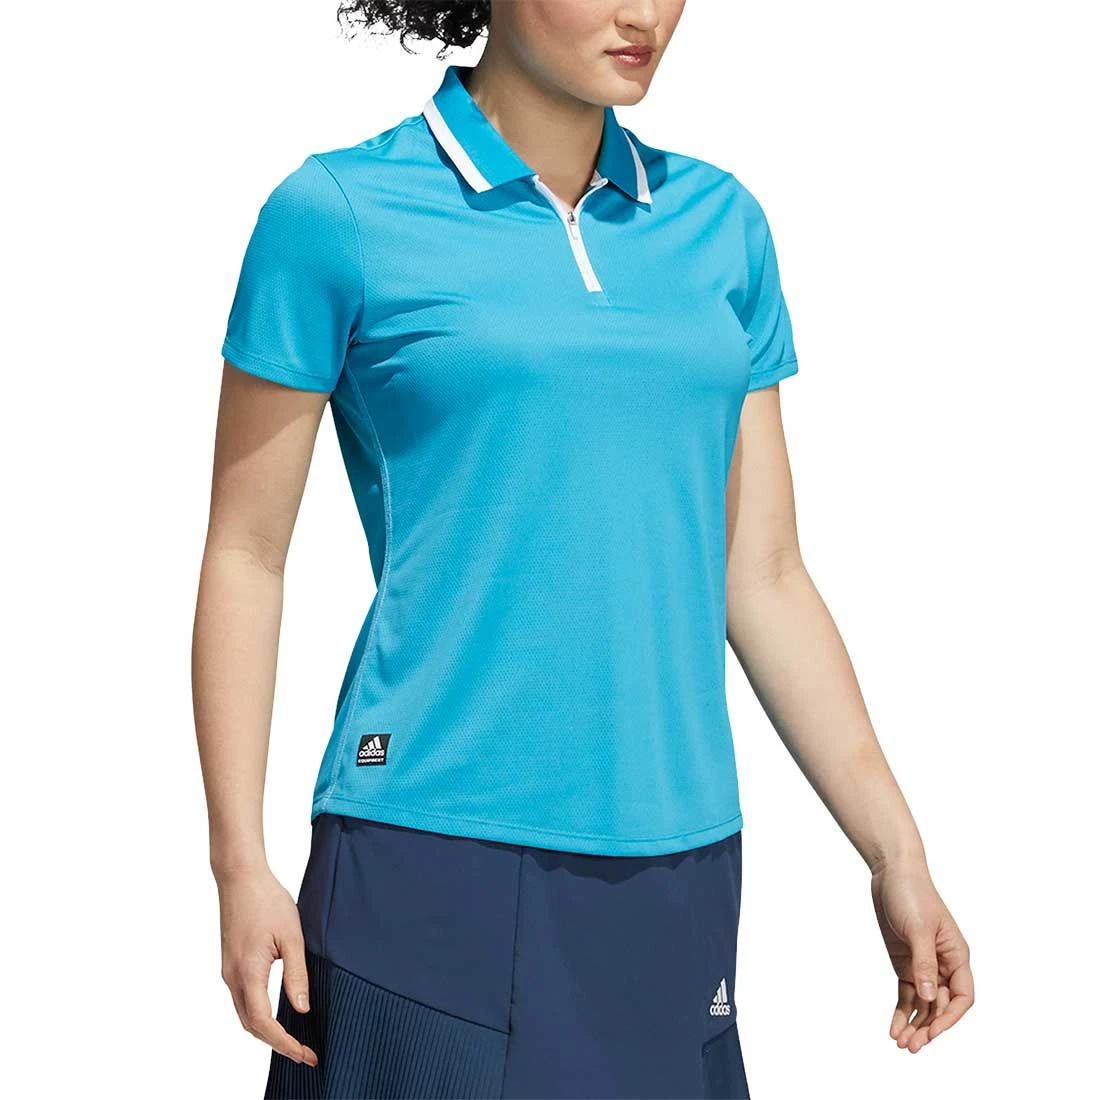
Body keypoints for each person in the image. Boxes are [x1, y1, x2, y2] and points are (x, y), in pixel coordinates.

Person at [193, 2, 975, 1097]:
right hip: (430, 852)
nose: (643, 13)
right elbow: (247, 554)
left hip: (681, 861)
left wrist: (895, 850)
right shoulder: (338, 213)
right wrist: (239, 860)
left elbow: (761, 573)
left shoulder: (719, 225)